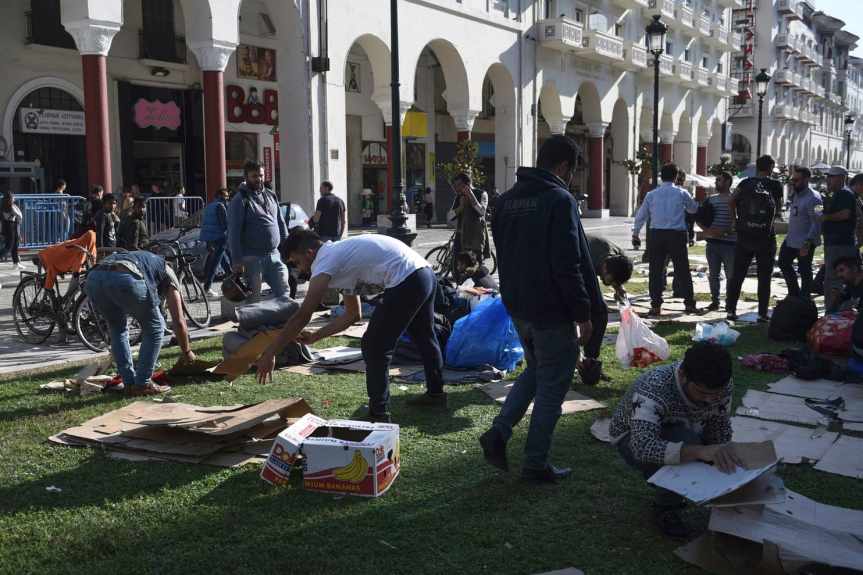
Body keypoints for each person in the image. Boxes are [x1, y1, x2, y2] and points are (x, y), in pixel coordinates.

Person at [478, 134, 601, 484]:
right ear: (563, 167)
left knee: (536, 371)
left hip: (519, 306)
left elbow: (504, 255)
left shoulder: (505, 201)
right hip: (551, 310)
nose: (572, 179)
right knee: (552, 386)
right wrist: (582, 312)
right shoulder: (558, 199)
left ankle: (499, 432)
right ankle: (535, 463)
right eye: (572, 171)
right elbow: (569, 262)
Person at [255, 230, 446, 421]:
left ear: (309, 253)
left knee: (374, 345)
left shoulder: (325, 261)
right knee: (424, 335)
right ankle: (436, 395)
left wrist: (270, 352)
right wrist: (315, 336)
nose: (300, 270)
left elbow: (302, 315)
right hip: (423, 273)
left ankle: (379, 413)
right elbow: (353, 315)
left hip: (407, 278)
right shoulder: (340, 258)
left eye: (297, 262)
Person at [611, 342, 737, 538]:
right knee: (687, 442)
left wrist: (721, 453)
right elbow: (642, 447)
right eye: (703, 393)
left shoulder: (721, 385)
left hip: (688, 428)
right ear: (683, 375)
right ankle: (667, 507)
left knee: (713, 449)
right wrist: (699, 452)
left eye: (716, 394)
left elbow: (719, 423)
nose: (710, 400)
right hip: (630, 437)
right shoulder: (654, 388)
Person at [85, 250, 196, 396]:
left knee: (117, 329)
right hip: (124, 278)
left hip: (94, 278)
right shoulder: (168, 273)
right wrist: (187, 352)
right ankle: (143, 383)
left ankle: (129, 384)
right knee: (155, 328)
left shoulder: (144, 260)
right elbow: (179, 321)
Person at [632, 163, 699, 317]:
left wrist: (635, 233)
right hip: (676, 235)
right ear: (676, 177)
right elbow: (693, 209)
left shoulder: (651, 195)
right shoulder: (682, 193)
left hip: (656, 235)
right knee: (682, 269)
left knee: (655, 270)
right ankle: (689, 303)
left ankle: (655, 305)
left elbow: (641, 215)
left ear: (661, 176)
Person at [726, 155, 781, 322]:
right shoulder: (775, 185)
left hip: (745, 235)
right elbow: (778, 208)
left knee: (738, 274)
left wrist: (735, 221)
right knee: (764, 276)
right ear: (771, 167)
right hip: (765, 236)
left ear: (757, 167)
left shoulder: (745, 183)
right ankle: (762, 313)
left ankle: (731, 310)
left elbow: (731, 200)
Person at [228, 161, 291, 298]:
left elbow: (280, 223)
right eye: (254, 176)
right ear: (246, 177)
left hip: (275, 255)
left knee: (285, 293)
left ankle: (284, 319)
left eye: (261, 175)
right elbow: (233, 233)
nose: (259, 179)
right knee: (253, 299)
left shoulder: (271, 195)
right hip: (252, 258)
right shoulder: (239, 200)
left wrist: (288, 249)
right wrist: (237, 260)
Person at [580, 233, 634, 386]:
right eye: (610, 279)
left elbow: (616, 272)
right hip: (568, 262)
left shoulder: (619, 258)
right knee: (595, 311)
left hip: (586, 256)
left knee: (600, 312)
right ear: (603, 267)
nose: (609, 283)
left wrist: (619, 288)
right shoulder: (590, 260)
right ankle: (578, 362)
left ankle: (590, 360)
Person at [778, 167, 822, 300]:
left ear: (806, 179)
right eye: (792, 180)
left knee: (804, 270)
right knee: (783, 263)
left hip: (805, 241)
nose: (793, 183)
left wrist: (807, 243)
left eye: (796, 180)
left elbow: (817, 223)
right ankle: (793, 293)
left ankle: (804, 297)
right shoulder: (797, 194)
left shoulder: (814, 198)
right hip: (791, 239)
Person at [820, 166, 858, 312]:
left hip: (840, 244)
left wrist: (826, 217)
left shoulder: (845, 194)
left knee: (835, 280)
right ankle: (836, 312)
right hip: (835, 244)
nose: (828, 179)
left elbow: (845, 214)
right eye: (828, 176)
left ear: (842, 178)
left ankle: (834, 314)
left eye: (832, 177)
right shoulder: (836, 194)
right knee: (834, 280)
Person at [701, 171, 737, 311]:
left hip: (730, 244)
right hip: (713, 243)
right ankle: (715, 301)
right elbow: (700, 216)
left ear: (728, 182)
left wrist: (728, 231)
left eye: (719, 180)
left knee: (731, 276)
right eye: (716, 180)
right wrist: (707, 231)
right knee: (713, 274)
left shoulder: (735, 199)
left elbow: (738, 220)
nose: (716, 183)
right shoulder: (711, 199)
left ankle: (729, 302)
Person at [449, 173, 489, 277]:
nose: (456, 188)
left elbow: (481, 212)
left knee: (476, 268)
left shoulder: (481, 193)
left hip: (476, 237)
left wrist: (471, 197)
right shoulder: (459, 197)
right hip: (460, 237)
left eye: (459, 185)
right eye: (454, 186)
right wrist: (461, 207)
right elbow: (449, 217)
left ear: (468, 184)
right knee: (458, 268)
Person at [833, 255, 863, 377]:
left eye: (842, 270)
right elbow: (833, 310)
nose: (839, 275)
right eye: (837, 272)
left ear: (854, 269)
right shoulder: (851, 285)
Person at [200, 187, 232, 296]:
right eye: (226, 197)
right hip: (219, 238)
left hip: (210, 238)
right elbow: (224, 225)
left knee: (223, 262)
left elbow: (206, 224)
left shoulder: (209, 206)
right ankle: (207, 288)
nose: (227, 199)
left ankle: (233, 281)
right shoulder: (220, 206)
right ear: (220, 197)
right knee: (215, 264)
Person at [0, 190, 23, 268]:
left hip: (10, 225)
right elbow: (19, 216)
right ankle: (16, 262)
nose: (14, 198)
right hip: (10, 226)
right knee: (9, 246)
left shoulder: (4, 206)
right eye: (13, 197)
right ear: (9, 199)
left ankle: (16, 262)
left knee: (15, 244)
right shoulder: (11, 206)